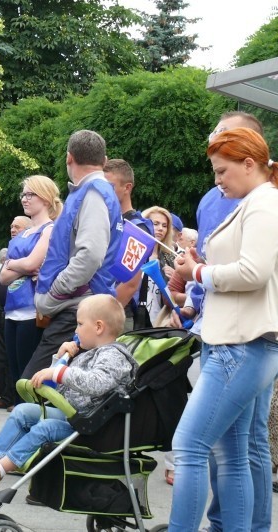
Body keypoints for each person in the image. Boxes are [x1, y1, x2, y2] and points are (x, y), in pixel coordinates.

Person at [171, 127, 278, 531]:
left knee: (189, 447)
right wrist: (202, 266)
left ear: (249, 164)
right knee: (231, 455)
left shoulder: (264, 204)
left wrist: (198, 270)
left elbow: (253, 272)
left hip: (240, 346)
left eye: (221, 171)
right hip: (241, 344)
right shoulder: (259, 201)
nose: (217, 182)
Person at [0, 295, 136, 490]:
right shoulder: (91, 353)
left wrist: (60, 372)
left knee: (45, 427)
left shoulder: (113, 356)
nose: (76, 330)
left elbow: (96, 383)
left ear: (98, 327)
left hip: (91, 426)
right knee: (22, 411)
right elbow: (64, 386)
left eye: (80, 324)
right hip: (74, 416)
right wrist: (60, 359)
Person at [22, 130, 122, 379]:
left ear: (69, 158)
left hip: (77, 307)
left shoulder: (93, 193)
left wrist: (56, 289)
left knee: (33, 388)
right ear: (104, 159)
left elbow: (90, 255)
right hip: (78, 307)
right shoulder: (94, 192)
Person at [0, 175, 61, 408]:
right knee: (13, 371)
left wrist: (14, 264)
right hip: (12, 307)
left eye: (30, 194)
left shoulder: (50, 228)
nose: (24, 199)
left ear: (45, 198)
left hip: (33, 309)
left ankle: (28, 416)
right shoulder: (25, 232)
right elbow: (4, 277)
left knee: (27, 373)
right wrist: (21, 266)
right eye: (23, 194)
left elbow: (32, 262)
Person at [103, 159, 155, 331]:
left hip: (116, 316)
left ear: (127, 187)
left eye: (109, 186)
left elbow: (130, 284)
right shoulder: (105, 221)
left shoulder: (138, 228)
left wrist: (103, 316)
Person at [141, 206, 175, 326]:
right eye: (156, 224)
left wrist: (174, 279)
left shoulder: (170, 259)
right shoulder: (134, 253)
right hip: (134, 318)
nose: (160, 228)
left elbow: (174, 297)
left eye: (164, 225)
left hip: (160, 322)